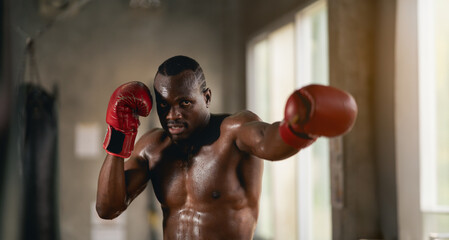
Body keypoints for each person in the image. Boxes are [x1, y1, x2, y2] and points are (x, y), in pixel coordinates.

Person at [96, 55, 357, 240]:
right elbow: (107, 208)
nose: (172, 115)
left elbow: (269, 140)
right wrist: (119, 137)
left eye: (184, 103)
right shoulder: (153, 147)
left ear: (206, 97)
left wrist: (298, 128)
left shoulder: (233, 132)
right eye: (164, 105)